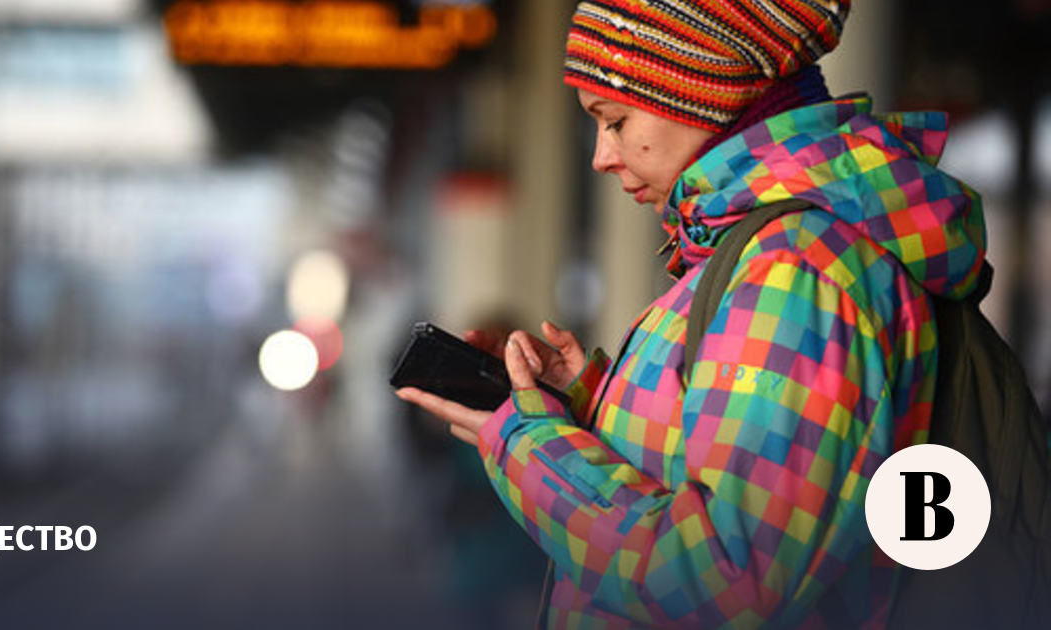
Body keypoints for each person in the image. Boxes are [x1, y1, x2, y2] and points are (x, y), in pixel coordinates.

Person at [397, 0, 987, 627]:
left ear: (700, 92)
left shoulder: (794, 270)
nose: (601, 156)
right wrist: (585, 403)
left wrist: (528, 441)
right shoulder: (760, 253)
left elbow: (723, 582)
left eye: (616, 121)